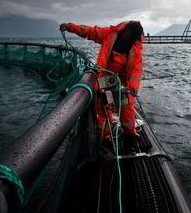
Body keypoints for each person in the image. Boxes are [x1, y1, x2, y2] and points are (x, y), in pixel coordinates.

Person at [60, 21, 144, 153]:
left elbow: (136, 68)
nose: (129, 39)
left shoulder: (136, 45)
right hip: (105, 77)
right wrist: (70, 27)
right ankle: (106, 138)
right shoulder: (109, 34)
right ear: (125, 30)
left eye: (133, 37)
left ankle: (130, 136)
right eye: (129, 35)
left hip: (122, 81)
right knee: (105, 106)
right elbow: (89, 31)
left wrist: (133, 86)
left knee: (126, 106)